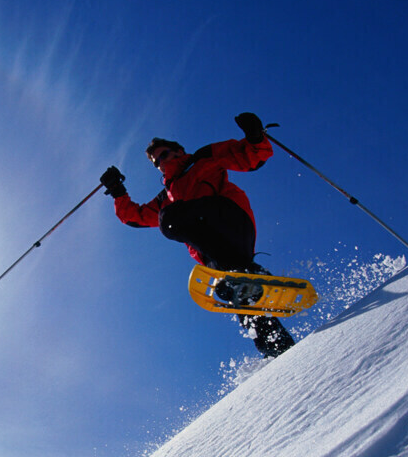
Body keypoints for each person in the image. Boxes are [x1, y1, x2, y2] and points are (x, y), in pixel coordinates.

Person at [100, 112, 296, 357]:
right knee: (241, 300)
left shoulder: (203, 159)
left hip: (230, 220)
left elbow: (248, 157)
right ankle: (280, 352)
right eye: (156, 162)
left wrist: (255, 137)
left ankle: (246, 274)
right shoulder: (167, 197)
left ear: (179, 150)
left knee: (170, 217)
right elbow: (135, 217)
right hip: (216, 252)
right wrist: (118, 191)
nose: (161, 162)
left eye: (164, 154)